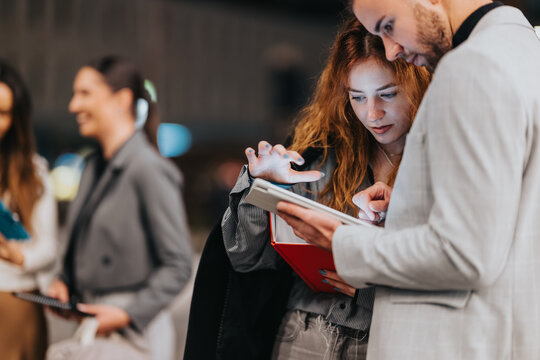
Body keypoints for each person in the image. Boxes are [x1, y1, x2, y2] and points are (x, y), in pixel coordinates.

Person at [276, 1, 540, 359]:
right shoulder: (528, 50)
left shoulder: (472, 66)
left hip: (453, 341)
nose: (392, 49)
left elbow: (464, 255)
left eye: (388, 25)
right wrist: (405, 208)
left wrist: (342, 240)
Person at [219, 17, 430, 359]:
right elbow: (245, 258)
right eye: (357, 97)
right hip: (302, 336)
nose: (372, 113)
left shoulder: (442, 163)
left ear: (420, 85)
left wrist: (375, 288)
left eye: (387, 94)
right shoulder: (320, 154)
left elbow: (455, 270)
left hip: (385, 341)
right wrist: (262, 188)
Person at [47, 56, 192, 359]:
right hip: (98, 325)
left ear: (121, 99)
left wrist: (128, 313)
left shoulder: (147, 168)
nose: (74, 106)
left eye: (85, 93)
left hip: (135, 332)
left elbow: (178, 265)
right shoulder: (91, 167)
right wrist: (64, 283)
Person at [0, 61, 58, 360]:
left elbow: (49, 247)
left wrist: (18, 255)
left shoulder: (33, 171)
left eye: (3, 112)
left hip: (15, 300)